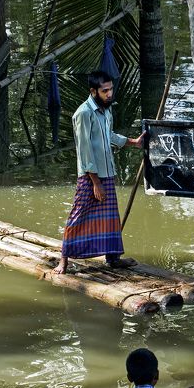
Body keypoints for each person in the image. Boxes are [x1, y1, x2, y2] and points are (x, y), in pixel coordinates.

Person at [54, 70, 144, 275]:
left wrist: (133, 142)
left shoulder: (106, 110)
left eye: (111, 89)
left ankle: (113, 258)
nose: (110, 94)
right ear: (93, 91)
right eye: (105, 91)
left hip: (107, 172)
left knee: (110, 217)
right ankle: (64, 260)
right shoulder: (83, 113)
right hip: (89, 176)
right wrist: (96, 183)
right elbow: (85, 152)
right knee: (78, 214)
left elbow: (109, 135)